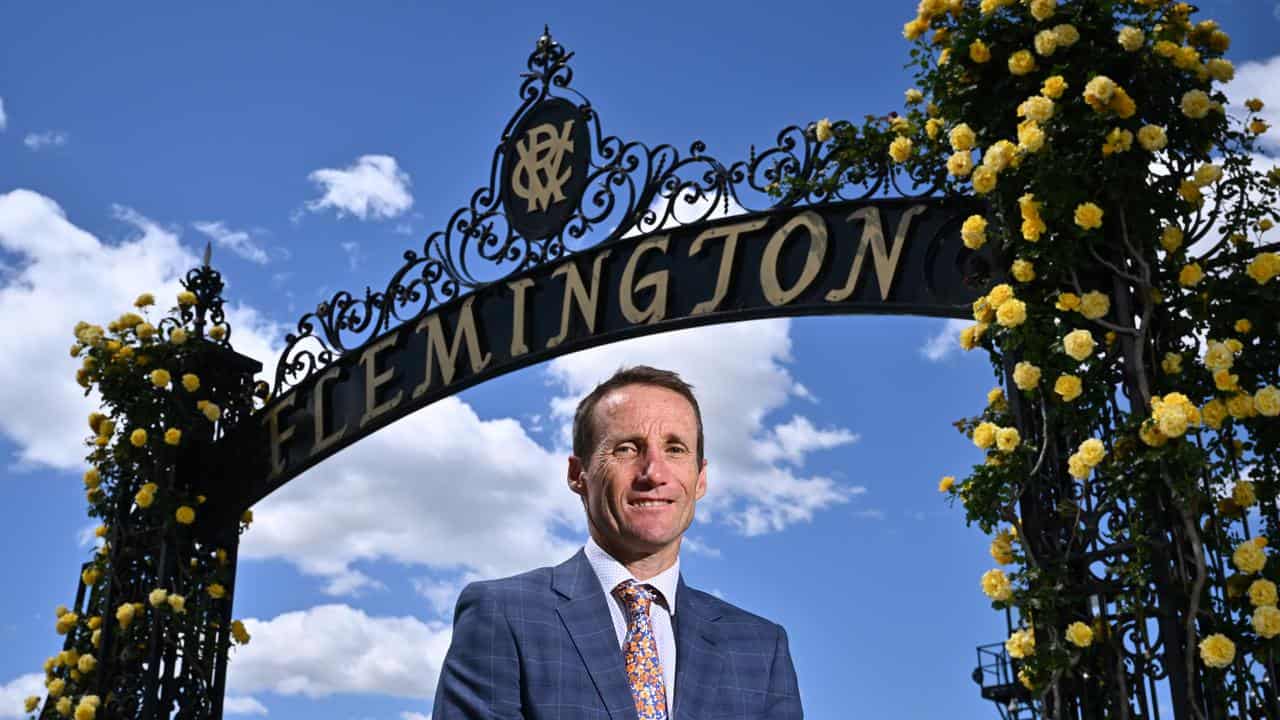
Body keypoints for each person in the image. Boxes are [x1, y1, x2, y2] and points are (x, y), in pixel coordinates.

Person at [431, 365, 803, 719]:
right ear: (579, 474)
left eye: (675, 449)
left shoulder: (760, 647)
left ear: (701, 478)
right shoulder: (504, 615)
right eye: (627, 448)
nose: (654, 473)